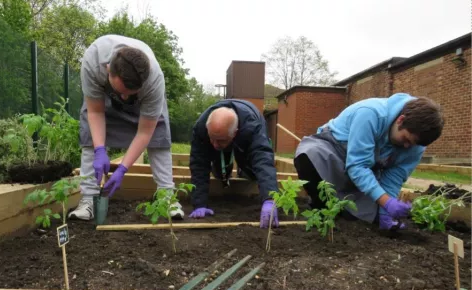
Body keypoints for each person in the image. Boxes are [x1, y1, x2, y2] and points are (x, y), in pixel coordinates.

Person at [68, 34, 184, 221]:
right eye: (121, 92)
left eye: (129, 93)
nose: (123, 98)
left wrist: (123, 168)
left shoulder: (154, 80)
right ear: (108, 70)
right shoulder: (93, 61)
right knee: (90, 133)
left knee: (160, 137)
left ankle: (167, 197)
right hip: (104, 100)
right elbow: (96, 113)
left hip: (142, 104)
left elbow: (146, 132)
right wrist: (99, 150)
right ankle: (88, 198)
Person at [293, 93, 444, 230]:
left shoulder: (416, 146)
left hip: (366, 171)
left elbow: (394, 176)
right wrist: (386, 201)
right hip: (334, 153)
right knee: (308, 154)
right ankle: (321, 205)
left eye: (412, 144)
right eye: (405, 140)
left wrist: (385, 212)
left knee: (364, 218)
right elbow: (357, 165)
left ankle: (343, 208)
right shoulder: (370, 114)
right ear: (400, 120)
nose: (406, 147)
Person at [189, 99, 279, 228]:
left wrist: (270, 198)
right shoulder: (201, 127)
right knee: (219, 170)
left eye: (220, 140)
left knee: (251, 170)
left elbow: (263, 160)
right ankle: (224, 169)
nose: (214, 144)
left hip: (248, 126)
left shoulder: (252, 127)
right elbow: (198, 164)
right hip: (227, 132)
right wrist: (199, 203)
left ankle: (244, 168)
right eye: (212, 139)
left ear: (235, 133)